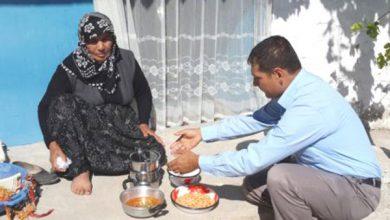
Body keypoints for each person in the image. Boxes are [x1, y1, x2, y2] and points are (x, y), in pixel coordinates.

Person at [168, 36, 381, 219]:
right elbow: (256, 120)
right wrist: (202, 133)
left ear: (278, 74)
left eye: (258, 78)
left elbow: (253, 159)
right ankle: (308, 206)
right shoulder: (295, 89)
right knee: (254, 185)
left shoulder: (309, 106)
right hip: (324, 173)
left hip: (357, 190)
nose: (254, 84)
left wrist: (199, 162)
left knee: (280, 177)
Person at [38, 12, 166, 195]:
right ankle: (81, 169)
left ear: (113, 38)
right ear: (83, 42)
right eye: (93, 41)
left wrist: (143, 122)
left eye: (106, 39)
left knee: (156, 152)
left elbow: (143, 91)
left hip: (120, 125)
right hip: (86, 131)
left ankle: (95, 162)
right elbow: (44, 107)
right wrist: (51, 144)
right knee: (62, 103)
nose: (101, 47)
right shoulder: (69, 67)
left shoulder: (126, 59)